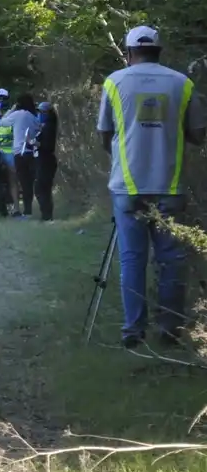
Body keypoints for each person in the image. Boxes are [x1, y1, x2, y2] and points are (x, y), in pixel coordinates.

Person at [97, 25, 205, 347]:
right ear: (159, 51)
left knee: (132, 259)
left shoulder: (114, 82)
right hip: (169, 186)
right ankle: (170, 330)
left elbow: (105, 133)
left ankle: (133, 331)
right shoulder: (182, 84)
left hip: (127, 187)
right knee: (171, 260)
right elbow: (199, 135)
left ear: (129, 53)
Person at [5, 93, 41, 219]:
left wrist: (12, 109)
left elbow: (2, 122)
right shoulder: (33, 117)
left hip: (18, 152)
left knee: (23, 181)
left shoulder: (17, 115)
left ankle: (25, 211)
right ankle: (28, 209)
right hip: (31, 152)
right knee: (29, 182)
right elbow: (38, 129)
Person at [34, 99, 59, 220]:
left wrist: (35, 143)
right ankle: (46, 214)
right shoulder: (44, 126)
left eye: (42, 112)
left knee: (41, 188)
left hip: (46, 160)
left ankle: (46, 215)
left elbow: (47, 146)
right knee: (43, 188)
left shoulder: (49, 126)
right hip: (44, 160)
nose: (40, 114)